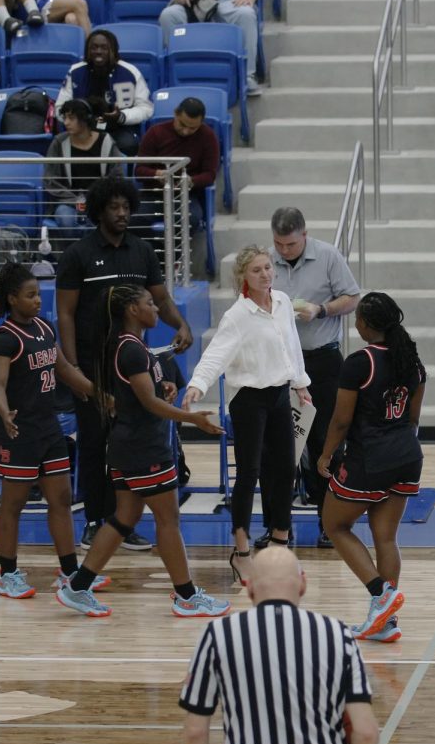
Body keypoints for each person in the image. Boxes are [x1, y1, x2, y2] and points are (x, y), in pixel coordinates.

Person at [180, 548, 379, 744]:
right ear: (303, 584)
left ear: (249, 587)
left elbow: (194, 729)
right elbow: (366, 732)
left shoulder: (219, 634)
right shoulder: (337, 634)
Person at [58, 284, 229, 618]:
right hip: (143, 449)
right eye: (150, 303)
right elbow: (147, 402)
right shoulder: (131, 349)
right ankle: (186, 596)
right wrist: (191, 418)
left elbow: (138, 395)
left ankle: (78, 586)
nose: (156, 308)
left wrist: (160, 387)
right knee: (168, 519)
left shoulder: (126, 345)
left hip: (126, 446)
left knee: (124, 518)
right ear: (132, 311)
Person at [55, 176, 193, 550]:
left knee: (127, 446)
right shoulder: (78, 254)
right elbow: (65, 314)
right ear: (99, 210)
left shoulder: (142, 251)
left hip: (131, 364)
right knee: (95, 442)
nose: (121, 213)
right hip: (92, 365)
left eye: (126, 207)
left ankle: (122, 521)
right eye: (114, 207)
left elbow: (161, 301)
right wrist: (73, 367)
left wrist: (180, 323)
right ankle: (93, 520)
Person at [183, 246, 311, 583]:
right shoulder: (237, 316)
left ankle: (280, 546)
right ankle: (241, 552)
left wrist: (300, 383)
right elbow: (215, 356)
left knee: (286, 470)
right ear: (244, 277)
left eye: (268, 268)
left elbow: (291, 346)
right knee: (249, 474)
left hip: (280, 397)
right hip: (248, 402)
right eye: (257, 270)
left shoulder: (282, 302)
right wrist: (197, 384)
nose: (266, 274)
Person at [316, 292, 424, 644]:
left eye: (359, 318)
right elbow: (413, 418)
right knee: (386, 538)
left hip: (370, 458)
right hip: (407, 455)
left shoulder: (359, 361)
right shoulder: (412, 360)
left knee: (334, 524)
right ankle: (387, 622)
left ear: (365, 324)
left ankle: (381, 593)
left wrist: (326, 455)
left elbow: (341, 421)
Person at [0, 262, 97, 600]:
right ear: (12, 299)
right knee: (13, 503)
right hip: (19, 429)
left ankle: (68, 572)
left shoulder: (44, 327)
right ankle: (7, 573)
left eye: (38, 293)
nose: (38, 300)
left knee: (61, 499)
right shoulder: (5, 337)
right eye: (30, 295)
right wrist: (4, 413)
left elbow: (63, 367)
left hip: (48, 427)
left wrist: (97, 393)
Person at [264, 207, 361, 549]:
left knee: (325, 443)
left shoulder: (328, 256)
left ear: (304, 235)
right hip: (279, 362)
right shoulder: (267, 261)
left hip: (321, 360)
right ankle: (277, 528)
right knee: (278, 447)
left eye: (290, 245)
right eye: (279, 245)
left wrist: (322, 310)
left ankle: (329, 523)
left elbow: (352, 297)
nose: (284, 251)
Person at [160, 0, 266, 96]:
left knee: (246, 14)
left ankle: (247, 77)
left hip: (233, 3)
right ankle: (175, 75)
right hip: (198, 2)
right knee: (168, 15)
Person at [57, 29, 153, 155]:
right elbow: (59, 108)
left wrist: (122, 116)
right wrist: (78, 118)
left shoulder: (130, 72)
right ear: (87, 50)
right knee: (60, 144)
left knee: (128, 145)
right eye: (94, 47)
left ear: (113, 50)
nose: (98, 52)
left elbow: (146, 108)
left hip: (119, 127)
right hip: (83, 127)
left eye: (104, 48)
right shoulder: (75, 72)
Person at [134, 95, 219, 233]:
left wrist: (191, 181)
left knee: (190, 220)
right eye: (182, 124)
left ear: (201, 123)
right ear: (175, 114)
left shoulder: (208, 137)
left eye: (193, 128)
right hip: (154, 194)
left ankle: (176, 255)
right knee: (133, 219)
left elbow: (210, 174)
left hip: (186, 196)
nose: (186, 131)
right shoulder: (156, 133)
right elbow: (139, 171)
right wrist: (157, 174)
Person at [44, 97, 122, 232]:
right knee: (66, 219)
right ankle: (74, 253)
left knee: (102, 220)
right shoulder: (58, 143)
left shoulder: (106, 141)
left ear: (85, 119)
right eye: (65, 117)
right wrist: (75, 201)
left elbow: (116, 176)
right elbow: (51, 180)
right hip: (67, 203)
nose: (66, 122)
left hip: (100, 201)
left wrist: (96, 199)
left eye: (71, 118)